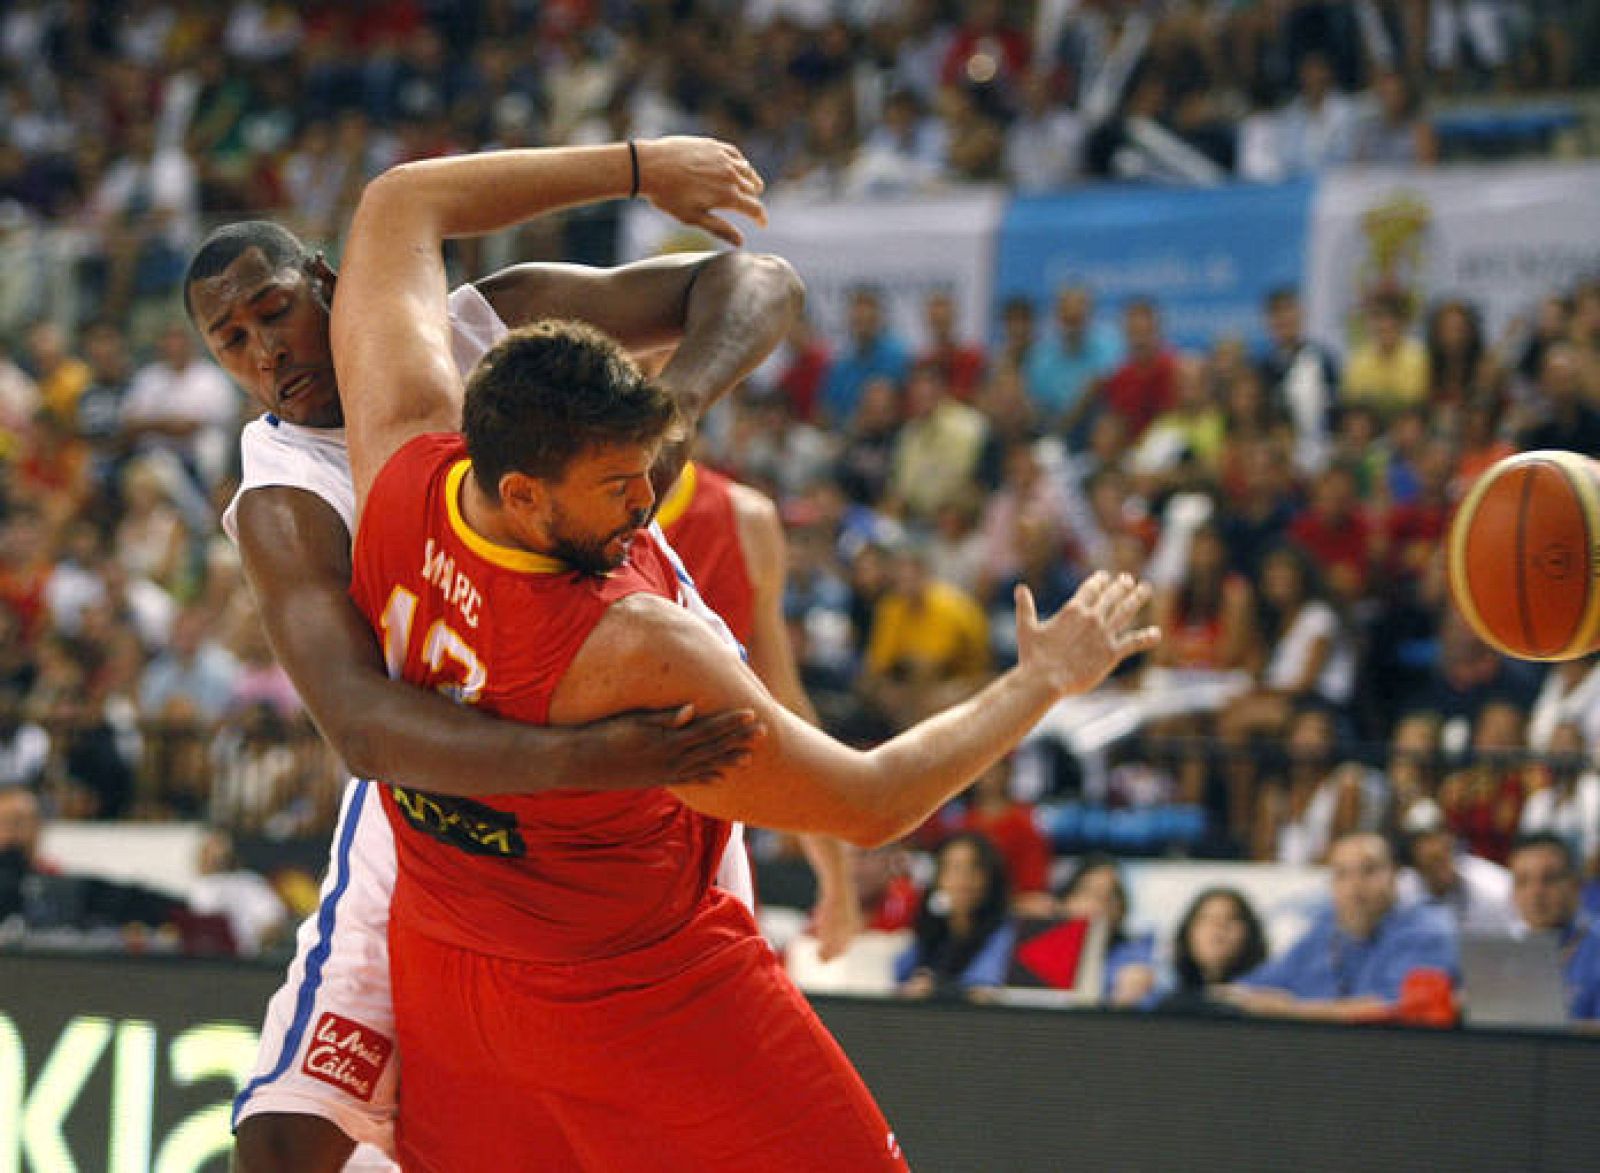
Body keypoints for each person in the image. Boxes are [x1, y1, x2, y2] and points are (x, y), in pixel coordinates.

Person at [334, 140, 1158, 1169]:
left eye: (651, 469)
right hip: (632, 988)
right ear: (522, 494)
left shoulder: (400, 455)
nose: (646, 505)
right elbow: (869, 803)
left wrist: (637, 174)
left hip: (450, 960)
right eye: (618, 486)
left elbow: (398, 200)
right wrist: (1040, 677)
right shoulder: (631, 641)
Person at [187, 140, 785, 1170]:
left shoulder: (484, 328)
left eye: (272, 310)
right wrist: (594, 761)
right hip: (461, 784)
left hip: (637, 751)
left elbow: (756, 281)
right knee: (285, 1146)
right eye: (231, 340)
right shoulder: (283, 497)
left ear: (331, 281)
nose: (263, 351)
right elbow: (366, 729)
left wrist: (672, 411)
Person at [657, 459, 861, 956]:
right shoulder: (545, 496)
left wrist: (835, 876)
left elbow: (782, 710)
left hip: (699, 842)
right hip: (577, 835)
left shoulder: (742, 518)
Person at [1220, 832, 1459, 1022]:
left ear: (1395, 875)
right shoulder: (1323, 930)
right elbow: (1248, 990)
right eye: (1342, 874)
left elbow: (1395, 1011)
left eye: (1369, 870)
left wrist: (1292, 1011)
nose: (1355, 885)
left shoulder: (1427, 931)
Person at [895, 831, 1017, 998]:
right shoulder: (930, 927)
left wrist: (936, 988)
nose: (962, 880)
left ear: (990, 877)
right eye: (952, 868)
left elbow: (985, 986)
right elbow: (899, 976)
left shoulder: (1005, 931)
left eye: (973, 869)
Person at [1506, 833, 1600, 1023]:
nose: (1535, 893)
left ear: (1576, 886)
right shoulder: (1506, 954)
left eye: (1549, 880)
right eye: (1523, 882)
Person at [1056, 852, 1157, 1008]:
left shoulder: (1137, 955)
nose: (1097, 906)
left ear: (1121, 909)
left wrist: (1124, 1003)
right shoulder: (1028, 944)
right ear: (1066, 901)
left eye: (1109, 897)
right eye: (1089, 893)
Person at [1154, 886, 1269, 1013]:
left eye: (1231, 918)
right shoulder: (1167, 1005)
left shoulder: (1270, 1003)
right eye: (1206, 919)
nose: (1218, 927)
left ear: (1250, 933)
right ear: (1188, 932)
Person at [1398, 821, 1517, 939]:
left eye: (1443, 856)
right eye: (1432, 862)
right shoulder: (1400, 893)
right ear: (1415, 866)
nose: (1440, 870)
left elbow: (1517, 940)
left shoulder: (1494, 887)